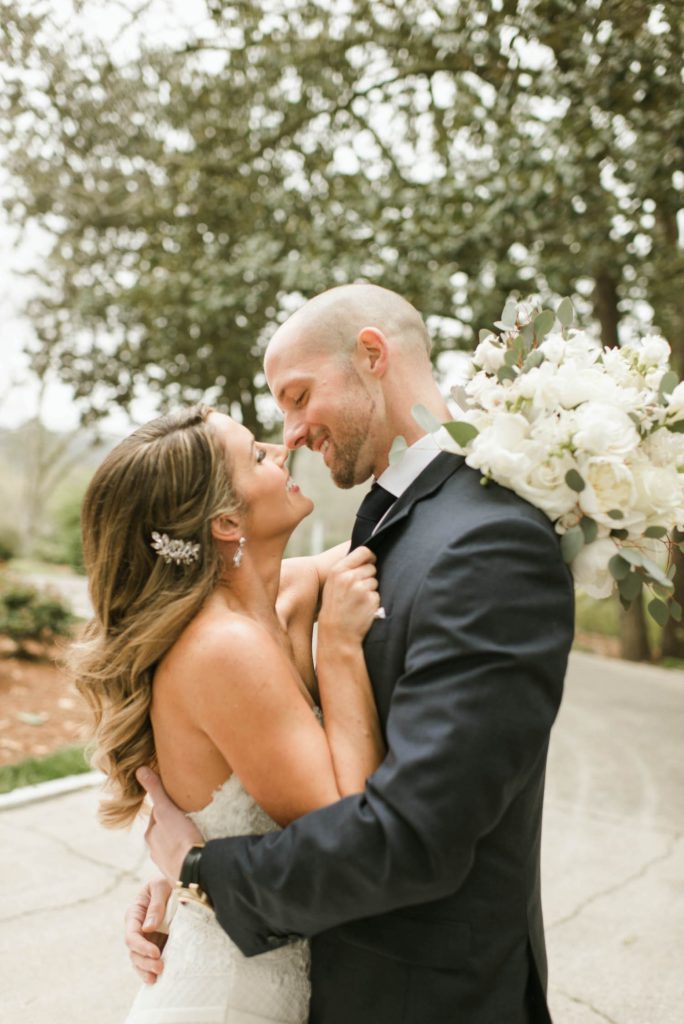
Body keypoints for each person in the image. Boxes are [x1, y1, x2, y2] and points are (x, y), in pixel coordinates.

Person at [129, 283, 576, 1024]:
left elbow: (411, 838)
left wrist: (200, 871)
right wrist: (187, 890)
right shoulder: (398, 526)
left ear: (372, 355)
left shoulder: (485, 543)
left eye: (300, 396)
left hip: (424, 1000)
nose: (293, 433)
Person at [73, 404, 386, 1023]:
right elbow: (351, 833)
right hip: (229, 1002)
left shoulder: (289, 592)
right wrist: (341, 649)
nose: (282, 447)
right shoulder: (223, 648)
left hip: (271, 971)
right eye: (257, 455)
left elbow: (404, 536)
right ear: (224, 520)